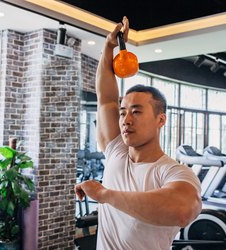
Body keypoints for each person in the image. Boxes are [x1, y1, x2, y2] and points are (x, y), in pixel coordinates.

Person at [74, 16, 202, 250]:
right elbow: (106, 99)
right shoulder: (116, 152)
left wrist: (104, 194)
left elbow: (183, 210)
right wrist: (108, 46)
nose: (126, 120)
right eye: (123, 113)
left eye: (136, 112)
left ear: (160, 120)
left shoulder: (172, 171)